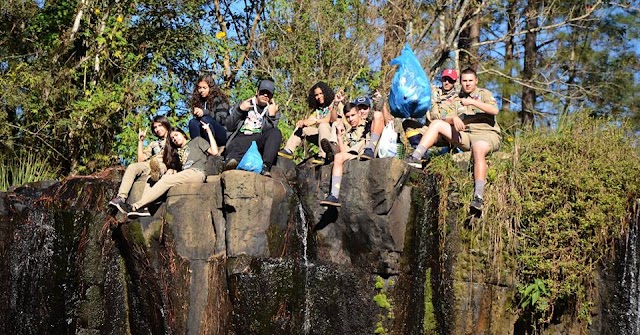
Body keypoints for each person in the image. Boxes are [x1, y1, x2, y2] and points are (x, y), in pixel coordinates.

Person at [404, 68, 501, 212]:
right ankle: (416, 157)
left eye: (470, 81)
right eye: (464, 81)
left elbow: (494, 110)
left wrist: (472, 102)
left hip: (486, 134)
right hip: (466, 135)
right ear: (460, 82)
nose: (467, 84)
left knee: (478, 149)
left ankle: (478, 197)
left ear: (476, 81)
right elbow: (444, 118)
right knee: (437, 124)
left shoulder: (483, 93)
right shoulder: (456, 98)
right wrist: (453, 118)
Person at [126, 124, 220, 218]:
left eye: (176, 135)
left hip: (196, 172)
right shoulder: (176, 152)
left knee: (166, 180)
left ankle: (136, 206)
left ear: (183, 134)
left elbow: (214, 152)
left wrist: (208, 131)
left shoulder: (197, 141)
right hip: (184, 174)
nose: (174, 138)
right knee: (164, 177)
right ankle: (146, 209)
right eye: (172, 138)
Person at [108, 115, 171, 214]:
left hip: (165, 163)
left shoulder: (174, 136)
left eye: (160, 125)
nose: (158, 129)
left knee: (160, 167)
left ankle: (155, 175)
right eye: (155, 127)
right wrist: (140, 141)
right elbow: (140, 160)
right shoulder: (154, 143)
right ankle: (121, 198)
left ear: (166, 125)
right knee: (133, 166)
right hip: (150, 163)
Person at [224, 79, 282, 176]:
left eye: (269, 94)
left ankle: (265, 167)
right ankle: (231, 162)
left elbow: (266, 133)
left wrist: (271, 117)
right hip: (241, 138)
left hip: (258, 140)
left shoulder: (274, 110)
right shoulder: (244, 103)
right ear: (257, 92)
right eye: (263, 92)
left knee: (276, 133)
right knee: (240, 141)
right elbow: (229, 126)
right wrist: (239, 110)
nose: (265, 96)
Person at [278, 82, 344, 165]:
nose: (319, 97)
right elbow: (310, 120)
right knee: (301, 128)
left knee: (323, 126)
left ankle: (322, 156)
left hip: (334, 137)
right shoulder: (318, 110)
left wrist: (316, 121)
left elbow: (332, 119)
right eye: (316, 95)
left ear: (326, 93)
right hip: (321, 135)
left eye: (321, 93)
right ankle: (288, 150)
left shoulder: (336, 104)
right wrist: (303, 122)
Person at [319, 102, 369, 207]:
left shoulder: (367, 125)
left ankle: (332, 147)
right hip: (350, 153)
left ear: (359, 113)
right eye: (348, 117)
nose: (350, 119)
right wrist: (340, 137)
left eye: (353, 115)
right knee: (338, 156)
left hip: (362, 151)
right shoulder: (349, 131)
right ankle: (334, 195)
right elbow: (343, 152)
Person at [188, 75, 229, 146]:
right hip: (204, 133)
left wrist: (205, 112)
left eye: (204, 88)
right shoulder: (199, 101)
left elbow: (223, 120)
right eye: (199, 88)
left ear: (211, 88)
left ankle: (212, 148)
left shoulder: (219, 99)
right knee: (192, 122)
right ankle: (197, 148)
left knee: (205, 119)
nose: (201, 90)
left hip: (222, 133)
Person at [360, 91, 394, 160]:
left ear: (369, 109)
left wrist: (382, 103)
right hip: (358, 148)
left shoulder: (375, 119)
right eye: (359, 109)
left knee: (378, 114)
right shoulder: (350, 121)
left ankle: (370, 149)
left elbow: (389, 123)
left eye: (365, 108)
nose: (362, 111)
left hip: (374, 148)